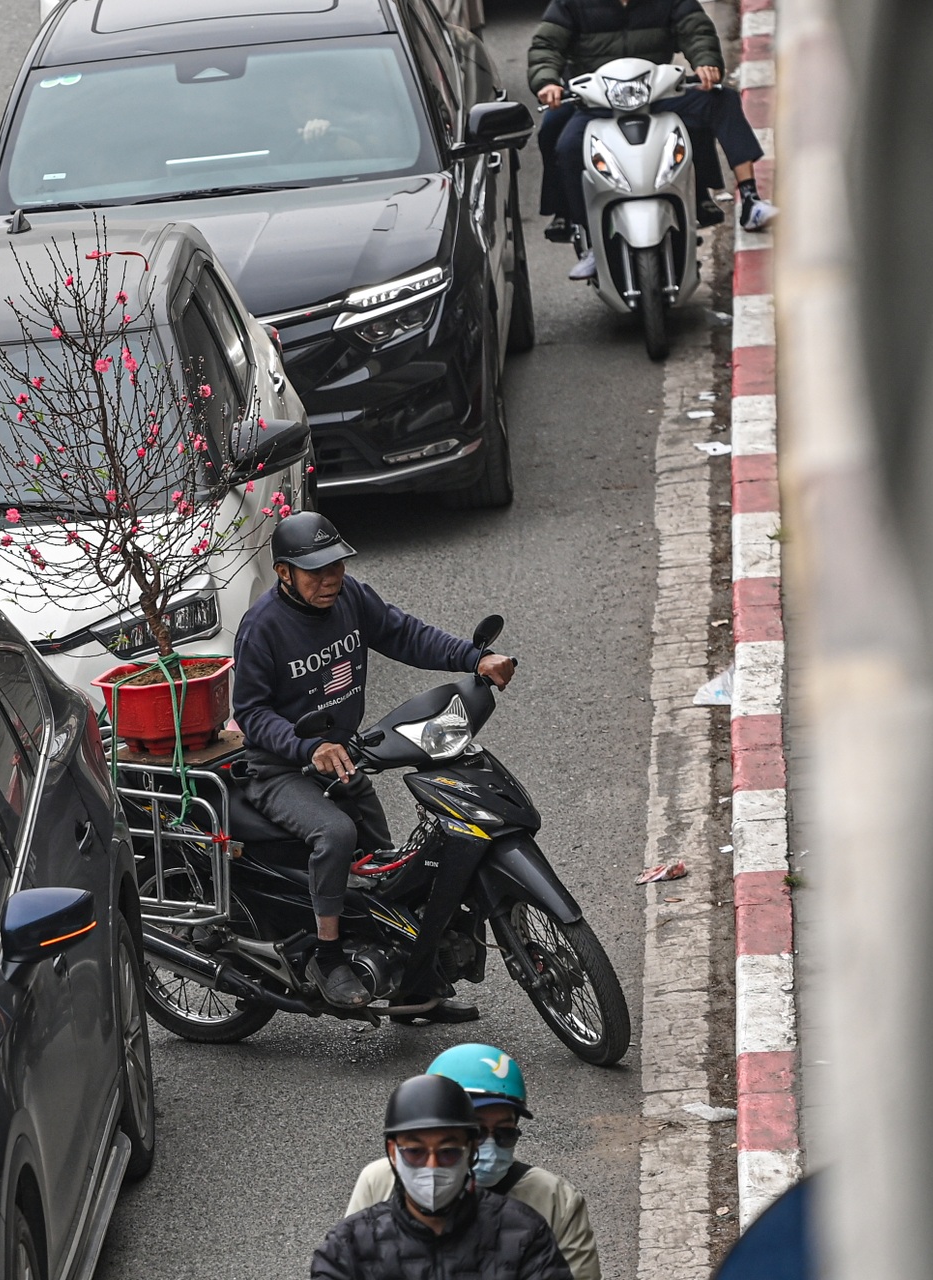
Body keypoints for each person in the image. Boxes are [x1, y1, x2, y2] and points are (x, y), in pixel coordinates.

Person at [232, 512, 515, 1013]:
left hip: (341, 759)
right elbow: (251, 713)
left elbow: (405, 634)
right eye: (315, 571)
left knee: (388, 872)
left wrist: (473, 659)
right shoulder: (263, 628)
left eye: (336, 565)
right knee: (336, 835)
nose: (330, 579)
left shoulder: (351, 598)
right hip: (280, 769)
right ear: (283, 573)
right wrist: (307, 749)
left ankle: (414, 987)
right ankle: (327, 955)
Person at [526, 0, 779, 280]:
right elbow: (546, 46)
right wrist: (547, 81)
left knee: (722, 100)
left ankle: (750, 199)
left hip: (655, 94)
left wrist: (706, 61)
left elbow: (695, 30)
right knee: (566, 146)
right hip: (594, 101)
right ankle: (587, 237)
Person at [346, 1045, 603, 1280]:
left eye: (505, 1133)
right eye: (477, 1133)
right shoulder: (379, 1181)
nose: (489, 1147)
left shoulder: (556, 1200)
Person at [313, 1074, 572, 1280]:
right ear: (393, 1152)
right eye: (415, 1152)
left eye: (448, 1152)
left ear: (470, 1151)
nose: (432, 1166)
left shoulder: (525, 1235)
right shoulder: (348, 1248)